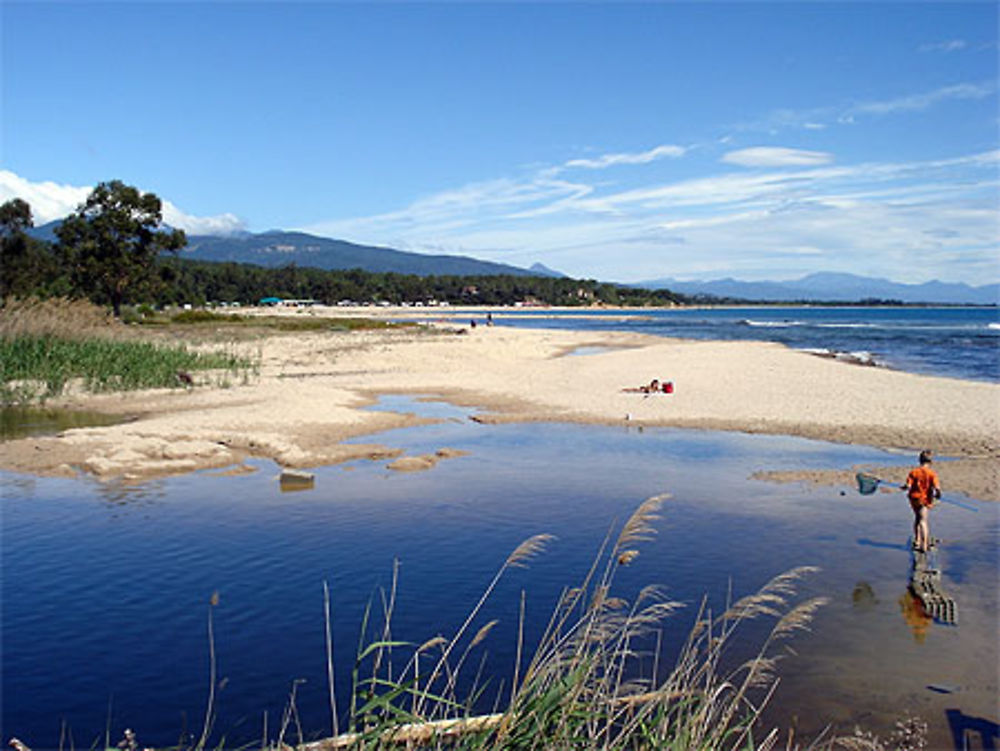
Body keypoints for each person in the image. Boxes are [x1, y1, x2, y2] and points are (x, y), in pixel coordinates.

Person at [903, 449, 941, 552]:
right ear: (930, 462)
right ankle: (924, 545)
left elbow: (908, 485)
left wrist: (904, 487)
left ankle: (917, 540)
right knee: (923, 521)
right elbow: (937, 488)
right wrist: (938, 495)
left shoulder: (913, 472)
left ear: (919, 460)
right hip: (924, 500)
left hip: (914, 498)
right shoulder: (932, 474)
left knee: (917, 518)